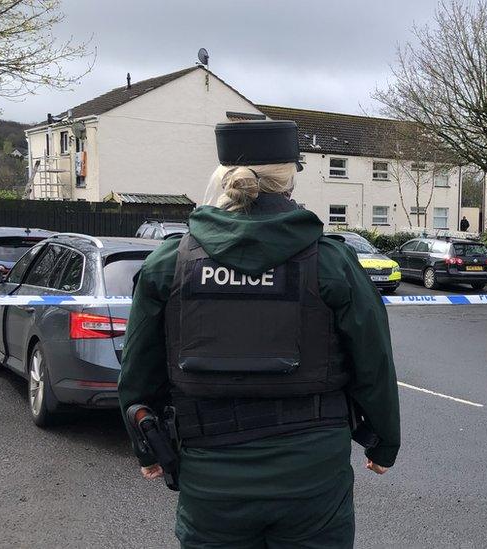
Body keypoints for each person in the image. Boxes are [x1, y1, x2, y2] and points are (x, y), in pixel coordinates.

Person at [118, 120, 400, 548]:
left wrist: (146, 446)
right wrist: (383, 444)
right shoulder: (331, 263)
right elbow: (373, 361)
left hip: (211, 476)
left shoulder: (170, 262)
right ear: (289, 177)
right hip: (312, 475)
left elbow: (138, 370)